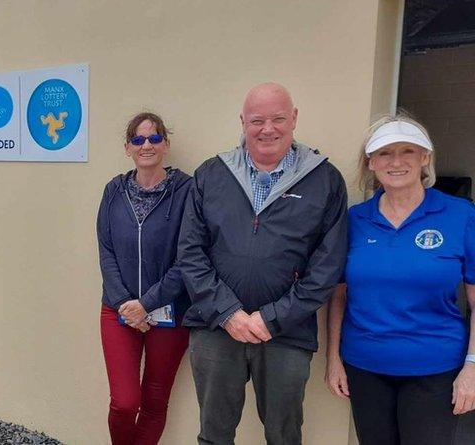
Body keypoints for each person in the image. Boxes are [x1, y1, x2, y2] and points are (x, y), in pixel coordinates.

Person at [177, 82, 348, 445]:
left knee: (284, 435)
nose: (267, 129)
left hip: (287, 332)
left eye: (278, 119)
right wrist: (228, 314)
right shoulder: (211, 174)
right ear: (243, 122)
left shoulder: (325, 180)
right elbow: (190, 253)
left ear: (294, 119)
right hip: (216, 327)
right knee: (214, 433)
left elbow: (327, 266)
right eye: (257, 120)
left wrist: (272, 318)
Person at [324, 115, 475, 445]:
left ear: (425, 158)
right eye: (384, 153)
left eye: (408, 151)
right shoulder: (354, 220)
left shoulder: (460, 215)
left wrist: (472, 366)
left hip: (435, 368)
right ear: (371, 163)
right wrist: (333, 359)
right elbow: (338, 294)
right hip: (365, 367)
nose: (396, 162)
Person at [97, 112, 193, 444]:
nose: (146, 145)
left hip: (169, 312)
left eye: (154, 138)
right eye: (138, 139)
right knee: (125, 403)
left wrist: (147, 304)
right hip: (118, 309)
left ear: (166, 144)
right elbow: (105, 250)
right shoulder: (113, 191)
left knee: (154, 403)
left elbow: (188, 258)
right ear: (128, 147)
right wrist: (126, 304)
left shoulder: (186, 191)